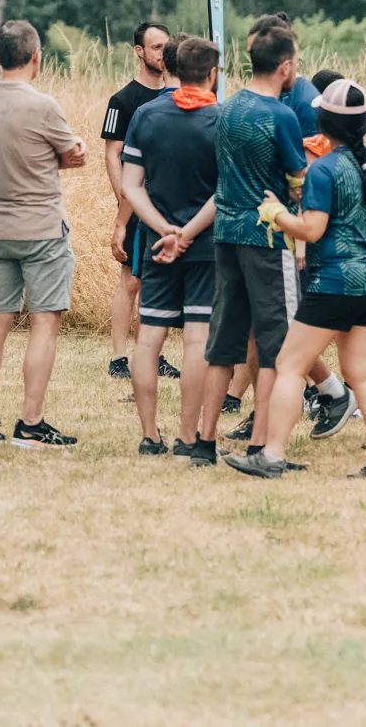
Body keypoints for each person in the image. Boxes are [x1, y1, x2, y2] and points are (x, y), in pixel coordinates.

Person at [226, 80, 366, 479]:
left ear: (323, 122)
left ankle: (271, 455)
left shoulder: (324, 169)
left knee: (289, 365)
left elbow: (312, 230)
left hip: (335, 282)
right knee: (363, 375)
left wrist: (275, 213)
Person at [206, 22, 352, 459]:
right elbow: (298, 181)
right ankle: (261, 446)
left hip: (225, 234)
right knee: (279, 349)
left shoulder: (226, 108)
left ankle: (201, 440)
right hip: (267, 239)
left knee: (222, 346)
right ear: (285, 66)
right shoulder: (281, 115)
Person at [0, 21, 88, 449]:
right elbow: (71, 151)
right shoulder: (44, 105)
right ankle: (31, 421)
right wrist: (73, 149)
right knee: (43, 325)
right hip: (41, 228)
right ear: (36, 57)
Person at [121, 35, 224, 463]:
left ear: (173, 67)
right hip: (204, 247)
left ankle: (149, 434)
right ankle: (187, 434)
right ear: (213, 73)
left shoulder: (146, 114)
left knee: (148, 340)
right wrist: (187, 233)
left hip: (157, 244)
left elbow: (131, 186)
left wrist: (165, 229)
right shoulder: (223, 120)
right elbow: (224, 192)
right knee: (197, 339)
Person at [102, 22, 176, 381]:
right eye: (156, 46)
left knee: (153, 281)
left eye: (166, 47)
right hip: (134, 203)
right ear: (139, 51)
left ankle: (152, 353)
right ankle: (119, 357)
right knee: (130, 281)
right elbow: (112, 155)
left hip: (165, 203)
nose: (161, 53)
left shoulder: (174, 97)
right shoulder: (123, 101)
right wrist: (124, 203)